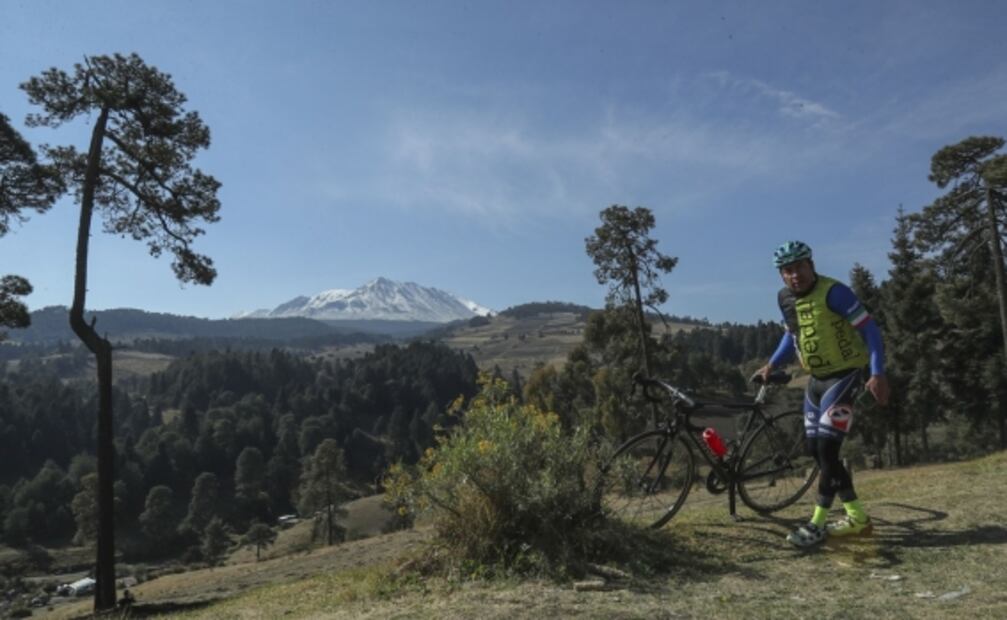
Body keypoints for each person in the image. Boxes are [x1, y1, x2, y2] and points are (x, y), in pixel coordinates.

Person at [755, 241, 889, 548]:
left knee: (828, 451)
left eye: (800, 267)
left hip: (845, 376)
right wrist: (771, 364)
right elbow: (792, 335)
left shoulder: (835, 292)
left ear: (811, 265)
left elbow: (871, 331)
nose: (795, 275)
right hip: (815, 381)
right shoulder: (785, 298)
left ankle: (816, 524)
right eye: (788, 270)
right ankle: (858, 518)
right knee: (816, 451)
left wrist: (877, 373)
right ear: (781, 275)